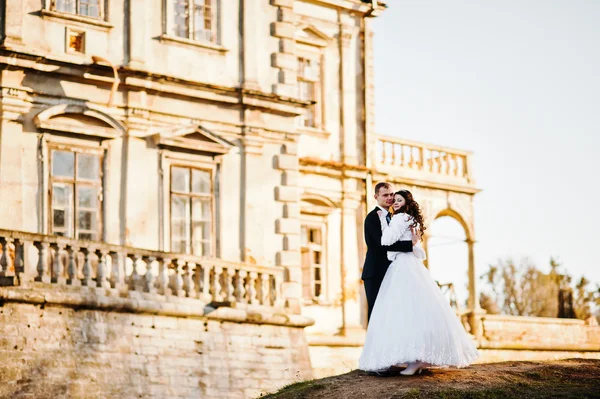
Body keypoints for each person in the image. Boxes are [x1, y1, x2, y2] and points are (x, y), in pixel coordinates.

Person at [359, 189, 479, 376]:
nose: (392, 200)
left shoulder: (397, 218)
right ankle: (404, 358)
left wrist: (406, 241)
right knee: (401, 312)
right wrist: (410, 244)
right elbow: (379, 244)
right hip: (383, 270)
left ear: (406, 203)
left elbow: (386, 240)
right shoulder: (382, 217)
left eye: (396, 198)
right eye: (388, 196)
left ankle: (400, 359)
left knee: (398, 313)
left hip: (399, 268)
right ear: (377, 197)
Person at [362, 183, 417, 323]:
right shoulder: (372, 217)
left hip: (390, 270)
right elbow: (383, 245)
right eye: (385, 195)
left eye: (392, 194)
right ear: (376, 197)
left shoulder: (394, 217)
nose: (390, 198)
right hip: (375, 272)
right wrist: (410, 245)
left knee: (391, 312)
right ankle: (374, 345)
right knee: (376, 313)